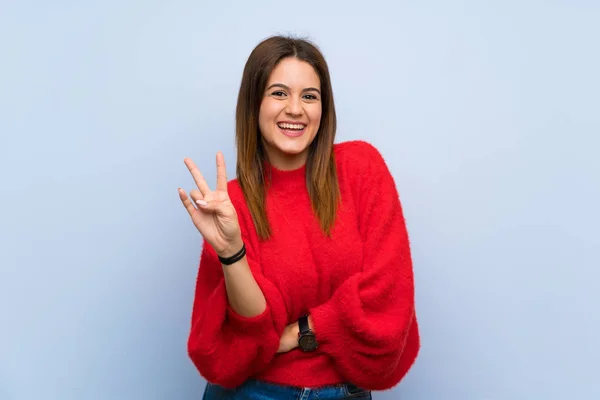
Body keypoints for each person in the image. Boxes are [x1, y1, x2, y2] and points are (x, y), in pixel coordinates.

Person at [178, 35, 420, 400]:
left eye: (310, 96)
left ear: (324, 109)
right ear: (253, 104)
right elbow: (250, 339)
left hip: (343, 393)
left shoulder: (361, 170)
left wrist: (302, 330)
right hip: (252, 393)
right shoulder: (231, 203)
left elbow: (388, 302)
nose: (295, 109)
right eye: (278, 93)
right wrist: (232, 251)